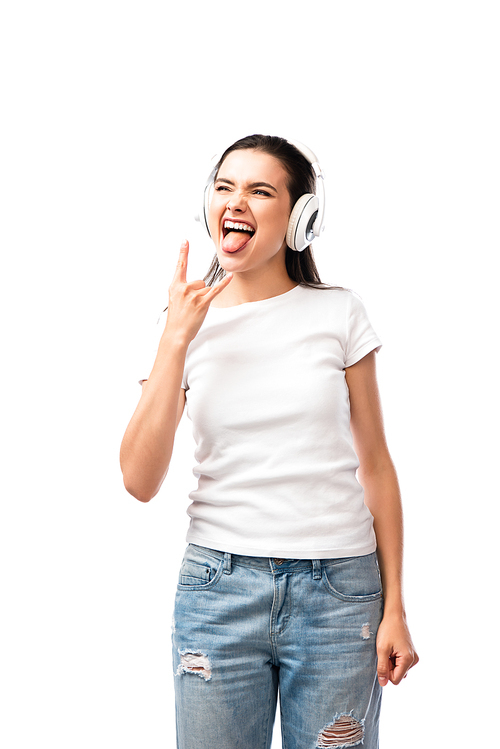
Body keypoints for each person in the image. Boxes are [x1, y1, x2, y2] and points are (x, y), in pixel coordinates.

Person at [120, 134, 418, 749]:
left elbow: (378, 468)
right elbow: (138, 481)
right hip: (217, 590)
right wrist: (175, 338)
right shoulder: (181, 322)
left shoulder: (339, 314)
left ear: (301, 216)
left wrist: (395, 608)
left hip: (339, 595)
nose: (236, 202)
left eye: (261, 190)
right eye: (225, 187)